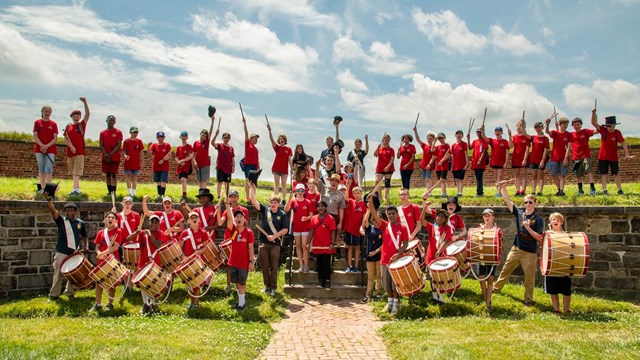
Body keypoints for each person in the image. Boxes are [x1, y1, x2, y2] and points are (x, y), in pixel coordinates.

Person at [493, 182, 544, 306]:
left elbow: (540, 238)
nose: (527, 204)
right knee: (505, 269)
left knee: (529, 277)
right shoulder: (520, 213)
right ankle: (495, 289)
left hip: (529, 252)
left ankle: (528, 299)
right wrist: (504, 186)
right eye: (525, 202)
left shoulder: (538, 219)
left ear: (535, 203)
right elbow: (507, 200)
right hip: (517, 248)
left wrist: (528, 228)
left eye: (530, 202)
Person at [367, 181, 409, 315]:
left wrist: (398, 254)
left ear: (397, 214)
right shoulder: (385, 226)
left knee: (395, 284)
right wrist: (370, 204)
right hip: (385, 260)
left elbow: (406, 243)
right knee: (386, 284)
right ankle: (389, 302)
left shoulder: (402, 228)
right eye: (389, 214)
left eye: (393, 213)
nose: (391, 216)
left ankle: (396, 305)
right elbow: (374, 215)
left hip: (396, 260)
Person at [44, 195, 88, 301]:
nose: (70, 213)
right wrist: (49, 199)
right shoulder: (61, 221)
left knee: (73, 273)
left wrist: (86, 246)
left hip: (73, 252)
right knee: (58, 273)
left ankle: (69, 293)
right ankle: (54, 295)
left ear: (75, 211)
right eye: (68, 211)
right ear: (65, 212)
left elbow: (84, 236)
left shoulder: (80, 223)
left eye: (72, 211)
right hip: (61, 252)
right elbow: (53, 210)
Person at [248, 182, 289, 297]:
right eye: (271, 202)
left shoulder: (283, 214)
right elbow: (254, 202)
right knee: (264, 266)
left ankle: (273, 288)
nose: (273, 204)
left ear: (279, 203)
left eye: (275, 202)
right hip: (264, 243)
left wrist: (274, 237)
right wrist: (252, 189)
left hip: (275, 244)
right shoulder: (266, 210)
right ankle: (267, 286)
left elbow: (285, 229)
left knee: (274, 267)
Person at [224, 202, 256, 311]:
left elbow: (251, 248)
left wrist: (251, 262)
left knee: (242, 283)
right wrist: (227, 206)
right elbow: (229, 218)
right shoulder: (234, 231)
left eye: (241, 217)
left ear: (245, 220)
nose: (238, 218)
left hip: (243, 263)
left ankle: (242, 304)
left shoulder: (249, 232)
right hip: (233, 262)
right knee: (236, 283)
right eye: (237, 217)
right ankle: (240, 301)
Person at [591, 111, 632, 195]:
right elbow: (593, 123)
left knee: (616, 173)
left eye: (613, 126)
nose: (611, 128)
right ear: (606, 126)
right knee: (603, 173)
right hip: (603, 156)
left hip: (613, 157)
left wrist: (627, 154)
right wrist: (593, 113)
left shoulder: (617, 132)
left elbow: (623, 143)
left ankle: (619, 189)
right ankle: (604, 189)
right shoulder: (603, 131)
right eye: (609, 126)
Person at [217, 189, 250, 293]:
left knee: (240, 260)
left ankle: (240, 285)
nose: (233, 198)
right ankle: (229, 284)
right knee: (229, 262)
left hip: (239, 237)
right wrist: (218, 211)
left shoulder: (244, 210)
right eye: (231, 197)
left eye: (234, 196)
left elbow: (246, 225)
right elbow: (220, 223)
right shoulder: (227, 210)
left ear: (238, 197)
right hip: (229, 238)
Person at [91, 211, 124, 311]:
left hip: (113, 260)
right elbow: (97, 246)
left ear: (116, 220)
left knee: (111, 282)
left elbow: (116, 246)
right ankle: (98, 303)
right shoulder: (101, 233)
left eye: (112, 218)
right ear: (105, 220)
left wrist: (104, 253)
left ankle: (110, 304)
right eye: (108, 217)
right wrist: (98, 253)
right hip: (102, 260)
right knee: (99, 282)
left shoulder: (118, 231)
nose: (110, 219)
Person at [422, 205, 454, 302]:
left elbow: (447, 240)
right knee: (432, 278)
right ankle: (434, 297)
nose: (439, 218)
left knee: (441, 277)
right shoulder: (432, 227)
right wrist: (424, 208)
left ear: (445, 220)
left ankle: (441, 297)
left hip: (442, 256)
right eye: (438, 216)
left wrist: (439, 251)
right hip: (431, 256)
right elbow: (422, 220)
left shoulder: (447, 229)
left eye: (442, 217)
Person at [178, 212, 210, 309]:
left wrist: (200, 252)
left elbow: (205, 247)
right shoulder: (185, 233)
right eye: (192, 218)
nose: (194, 219)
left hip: (198, 261)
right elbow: (179, 247)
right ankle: (192, 302)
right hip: (187, 261)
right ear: (189, 221)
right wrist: (183, 256)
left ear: (199, 220)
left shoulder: (203, 233)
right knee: (189, 283)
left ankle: (195, 304)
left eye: (196, 217)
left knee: (197, 283)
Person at [474, 208, 503, 312]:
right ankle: (486, 300)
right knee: (481, 279)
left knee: (490, 280)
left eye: (489, 215)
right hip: (482, 256)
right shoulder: (479, 228)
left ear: (493, 217)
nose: (487, 217)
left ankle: (488, 302)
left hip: (491, 257)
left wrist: (498, 257)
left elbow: (500, 245)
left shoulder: (497, 230)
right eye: (485, 215)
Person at [138, 214, 167, 314]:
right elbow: (140, 245)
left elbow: (158, 244)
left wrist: (150, 235)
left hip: (155, 261)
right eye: (152, 222)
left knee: (154, 283)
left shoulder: (160, 233)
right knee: (143, 283)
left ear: (159, 224)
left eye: (156, 222)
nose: (154, 224)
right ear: (148, 223)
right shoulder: (142, 233)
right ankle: (145, 303)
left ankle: (153, 304)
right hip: (143, 261)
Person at [544, 212, 572, 314]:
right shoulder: (547, 235)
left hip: (564, 264)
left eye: (557, 220)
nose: (555, 221)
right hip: (551, 265)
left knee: (566, 290)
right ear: (550, 222)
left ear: (561, 222)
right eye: (553, 219)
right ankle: (556, 309)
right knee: (553, 290)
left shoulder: (566, 235)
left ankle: (567, 309)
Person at [63, 97, 90, 195]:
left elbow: (88, 114)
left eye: (78, 115)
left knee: (77, 171)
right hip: (71, 152)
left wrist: (85, 102)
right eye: (75, 115)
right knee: (72, 171)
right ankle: (75, 188)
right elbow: (65, 139)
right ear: (72, 116)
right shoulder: (68, 127)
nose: (77, 117)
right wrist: (71, 146)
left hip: (79, 152)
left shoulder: (81, 125)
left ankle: (76, 189)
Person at [285, 184, 313, 272]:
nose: (300, 192)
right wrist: (289, 199)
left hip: (305, 227)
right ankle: (301, 265)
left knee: (304, 245)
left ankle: (306, 265)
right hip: (296, 227)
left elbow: (311, 215)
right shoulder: (293, 201)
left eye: (302, 191)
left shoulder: (308, 202)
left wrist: (306, 218)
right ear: (296, 192)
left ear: (304, 192)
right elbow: (286, 209)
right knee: (297, 245)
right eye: (298, 191)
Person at [309, 201, 337, 289]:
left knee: (326, 264)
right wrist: (307, 243)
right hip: (317, 245)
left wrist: (332, 243)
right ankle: (320, 280)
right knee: (319, 263)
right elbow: (311, 231)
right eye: (318, 206)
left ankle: (327, 280)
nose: (320, 208)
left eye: (322, 206)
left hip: (327, 246)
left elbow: (333, 231)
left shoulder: (330, 218)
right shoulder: (313, 218)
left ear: (325, 207)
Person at [33, 105, 58, 192]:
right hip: (39, 149)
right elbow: (35, 135)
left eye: (49, 112)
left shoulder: (53, 124)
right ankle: (43, 188)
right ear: (42, 112)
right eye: (45, 111)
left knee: (48, 168)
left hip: (50, 150)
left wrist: (46, 146)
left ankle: (49, 188)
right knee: (41, 168)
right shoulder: (37, 122)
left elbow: (55, 138)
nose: (47, 113)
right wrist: (41, 146)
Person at [569, 117, 596, 195]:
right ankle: (580, 190)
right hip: (576, 157)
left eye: (578, 124)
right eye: (575, 125)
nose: (576, 126)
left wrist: (594, 116)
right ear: (573, 126)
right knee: (578, 174)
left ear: (581, 125)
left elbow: (596, 131)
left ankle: (592, 189)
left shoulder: (585, 131)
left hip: (585, 155)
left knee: (589, 171)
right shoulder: (571, 134)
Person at [360, 209, 383, 303]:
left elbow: (384, 244)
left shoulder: (383, 229)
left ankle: (378, 293)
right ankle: (368, 295)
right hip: (370, 257)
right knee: (370, 276)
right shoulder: (370, 228)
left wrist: (376, 252)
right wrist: (369, 209)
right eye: (373, 219)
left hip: (379, 256)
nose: (375, 221)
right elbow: (365, 221)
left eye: (377, 219)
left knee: (379, 275)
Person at [343, 183, 367, 273]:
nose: (356, 195)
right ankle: (349, 266)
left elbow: (364, 217)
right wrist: (348, 187)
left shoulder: (364, 204)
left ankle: (356, 266)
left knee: (357, 247)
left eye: (358, 193)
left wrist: (362, 227)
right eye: (355, 193)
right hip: (349, 229)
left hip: (357, 230)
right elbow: (345, 198)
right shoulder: (351, 201)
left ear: (361, 193)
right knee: (350, 247)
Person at [545, 117, 572, 196]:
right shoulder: (555, 133)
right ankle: (559, 189)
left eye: (567, 124)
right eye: (564, 124)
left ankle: (561, 191)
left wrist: (566, 158)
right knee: (553, 175)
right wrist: (547, 124)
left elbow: (569, 147)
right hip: (554, 157)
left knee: (562, 175)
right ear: (560, 124)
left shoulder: (569, 134)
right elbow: (547, 132)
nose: (566, 126)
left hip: (563, 158)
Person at [267, 124, 293, 203]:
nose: (281, 140)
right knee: (277, 184)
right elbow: (271, 140)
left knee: (284, 185)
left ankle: (284, 199)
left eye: (283, 139)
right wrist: (269, 130)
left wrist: (292, 168)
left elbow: (289, 160)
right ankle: (276, 198)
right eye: (280, 139)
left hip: (284, 169)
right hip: (276, 168)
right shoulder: (277, 148)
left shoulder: (288, 149)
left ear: (285, 140)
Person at [481, 125, 510, 197]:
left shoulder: (505, 141)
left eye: (499, 131)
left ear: (502, 132)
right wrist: (483, 131)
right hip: (494, 162)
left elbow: (507, 152)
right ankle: (498, 191)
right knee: (496, 177)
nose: (498, 132)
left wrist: (506, 162)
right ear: (494, 132)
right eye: (496, 131)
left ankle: (499, 192)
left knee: (500, 176)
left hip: (501, 162)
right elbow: (484, 137)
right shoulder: (492, 141)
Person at [99, 115, 123, 196]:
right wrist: (106, 155)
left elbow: (119, 145)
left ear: (115, 122)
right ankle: (109, 191)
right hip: (105, 157)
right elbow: (101, 145)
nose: (111, 122)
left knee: (113, 174)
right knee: (107, 174)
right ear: (106, 121)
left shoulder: (118, 132)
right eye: (110, 120)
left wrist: (110, 154)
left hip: (114, 156)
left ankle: (114, 192)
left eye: (113, 120)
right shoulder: (102, 133)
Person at [508, 119, 531, 196]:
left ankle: (523, 190)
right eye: (518, 126)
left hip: (523, 158)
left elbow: (527, 149)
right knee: (516, 175)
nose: (519, 128)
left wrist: (525, 159)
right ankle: (517, 190)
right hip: (515, 158)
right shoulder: (514, 137)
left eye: (521, 126)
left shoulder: (526, 137)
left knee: (524, 175)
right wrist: (509, 135)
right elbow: (510, 146)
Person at [193, 116, 215, 191]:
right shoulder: (196, 143)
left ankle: (203, 193)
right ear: (200, 134)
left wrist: (212, 121)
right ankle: (200, 192)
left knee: (204, 180)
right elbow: (193, 154)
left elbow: (211, 132)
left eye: (205, 136)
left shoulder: (206, 142)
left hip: (205, 164)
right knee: (199, 180)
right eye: (202, 135)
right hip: (198, 164)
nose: (203, 137)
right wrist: (195, 162)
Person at [148, 131, 173, 198]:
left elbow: (170, 155)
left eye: (161, 137)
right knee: (158, 181)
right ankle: (159, 194)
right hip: (156, 166)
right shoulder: (154, 145)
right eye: (159, 137)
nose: (160, 138)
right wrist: (148, 146)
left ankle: (162, 195)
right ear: (156, 138)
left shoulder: (167, 145)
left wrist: (163, 160)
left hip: (164, 166)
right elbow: (150, 154)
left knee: (163, 180)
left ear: (164, 137)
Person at [212, 128, 235, 200]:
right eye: (225, 137)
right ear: (222, 138)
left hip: (228, 168)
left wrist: (233, 166)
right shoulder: (219, 145)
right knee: (219, 182)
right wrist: (216, 134)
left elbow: (232, 158)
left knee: (227, 183)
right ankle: (218, 196)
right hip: (220, 167)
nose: (226, 139)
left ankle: (227, 196)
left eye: (228, 137)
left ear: (230, 138)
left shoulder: (231, 148)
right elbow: (212, 143)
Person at [242, 113, 260, 202]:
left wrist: (258, 167)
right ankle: (247, 196)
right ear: (251, 138)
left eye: (257, 139)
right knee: (248, 181)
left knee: (254, 182)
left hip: (254, 166)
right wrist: (245, 123)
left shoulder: (256, 149)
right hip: (248, 165)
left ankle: (253, 196)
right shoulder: (247, 144)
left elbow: (257, 159)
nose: (256, 140)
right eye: (255, 138)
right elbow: (246, 133)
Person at [528, 122, 549, 196]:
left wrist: (542, 161)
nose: (538, 129)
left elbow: (546, 150)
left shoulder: (545, 138)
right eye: (536, 127)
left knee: (541, 175)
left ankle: (540, 191)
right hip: (533, 159)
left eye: (539, 127)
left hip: (541, 160)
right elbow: (525, 134)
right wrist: (523, 124)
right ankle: (533, 191)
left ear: (542, 127)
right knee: (534, 175)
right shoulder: (533, 137)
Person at [122, 126, 144, 197]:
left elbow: (141, 152)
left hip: (136, 162)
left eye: (136, 132)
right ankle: (129, 192)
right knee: (128, 177)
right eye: (134, 132)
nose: (135, 134)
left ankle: (134, 193)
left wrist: (142, 161)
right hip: (128, 162)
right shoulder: (126, 141)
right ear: (130, 132)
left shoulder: (139, 141)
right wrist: (125, 156)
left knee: (135, 177)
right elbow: (124, 152)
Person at [467, 128, 489, 197]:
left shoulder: (484, 141)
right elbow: (469, 148)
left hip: (480, 162)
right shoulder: (475, 141)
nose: (478, 133)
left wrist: (480, 159)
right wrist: (468, 139)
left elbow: (484, 150)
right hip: (475, 162)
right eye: (477, 132)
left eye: (480, 132)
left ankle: (479, 192)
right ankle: (480, 192)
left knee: (479, 177)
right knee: (477, 178)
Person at [414, 128, 436, 195]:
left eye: (430, 138)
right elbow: (418, 139)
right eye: (428, 138)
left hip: (429, 165)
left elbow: (434, 157)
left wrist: (429, 164)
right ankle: (427, 191)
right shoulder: (424, 146)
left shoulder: (434, 147)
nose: (429, 140)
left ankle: (429, 192)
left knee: (428, 179)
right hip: (423, 165)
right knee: (425, 179)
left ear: (433, 139)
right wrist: (415, 131)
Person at [374, 134, 395, 203]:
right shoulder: (380, 148)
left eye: (388, 140)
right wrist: (377, 148)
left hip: (389, 168)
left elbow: (392, 159)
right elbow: (375, 154)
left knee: (387, 182)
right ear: (383, 140)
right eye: (385, 140)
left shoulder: (391, 149)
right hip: (380, 168)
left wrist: (388, 166)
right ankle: (380, 197)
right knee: (377, 181)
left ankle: (386, 197)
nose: (387, 141)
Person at [175, 131, 194, 201]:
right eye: (182, 136)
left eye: (185, 136)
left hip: (187, 166)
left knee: (183, 179)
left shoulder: (189, 146)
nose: (184, 137)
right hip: (180, 166)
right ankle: (183, 193)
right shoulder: (178, 148)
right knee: (182, 180)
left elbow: (191, 156)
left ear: (187, 137)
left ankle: (184, 195)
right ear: (180, 137)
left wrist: (183, 160)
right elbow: (176, 157)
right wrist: (179, 162)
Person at [431, 132, 450, 198]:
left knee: (442, 179)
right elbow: (432, 150)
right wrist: (434, 142)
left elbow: (448, 154)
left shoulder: (447, 145)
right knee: (440, 180)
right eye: (439, 138)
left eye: (441, 138)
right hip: (438, 166)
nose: (440, 139)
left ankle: (444, 193)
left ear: (444, 138)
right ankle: (443, 193)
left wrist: (442, 161)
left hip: (444, 165)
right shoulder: (437, 146)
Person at [451, 130, 469, 197]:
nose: (459, 135)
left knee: (461, 179)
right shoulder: (453, 145)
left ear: (462, 136)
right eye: (457, 134)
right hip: (455, 165)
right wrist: (452, 166)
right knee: (456, 179)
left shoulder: (464, 144)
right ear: (455, 136)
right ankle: (458, 191)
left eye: (460, 134)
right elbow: (452, 156)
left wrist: (467, 164)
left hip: (462, 165)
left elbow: (466, 154)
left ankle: (460, 192)